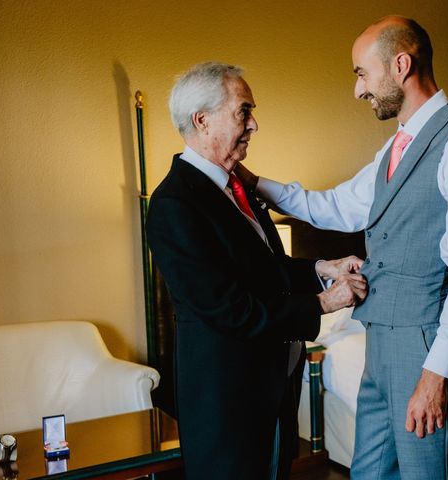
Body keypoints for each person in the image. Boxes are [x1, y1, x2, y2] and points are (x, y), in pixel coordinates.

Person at [237, 15, 448, 480]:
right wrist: (254, 183)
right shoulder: (395, 149)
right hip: (378, 342)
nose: (358, 90)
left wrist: (438, 373)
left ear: (401, 64)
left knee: (428, 473)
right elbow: (337, 207)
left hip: (423, 343)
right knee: (368, 473)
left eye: (362, 73)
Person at [145, 62, 368, 480]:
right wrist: (323, 302)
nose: (254, 124)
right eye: (243, 111)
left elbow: (267, 268)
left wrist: (324, 267)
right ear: (202, 120)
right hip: (228, 399)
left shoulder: (237, 187)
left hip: (274, 389)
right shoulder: (175, 204)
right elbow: (229, 309)